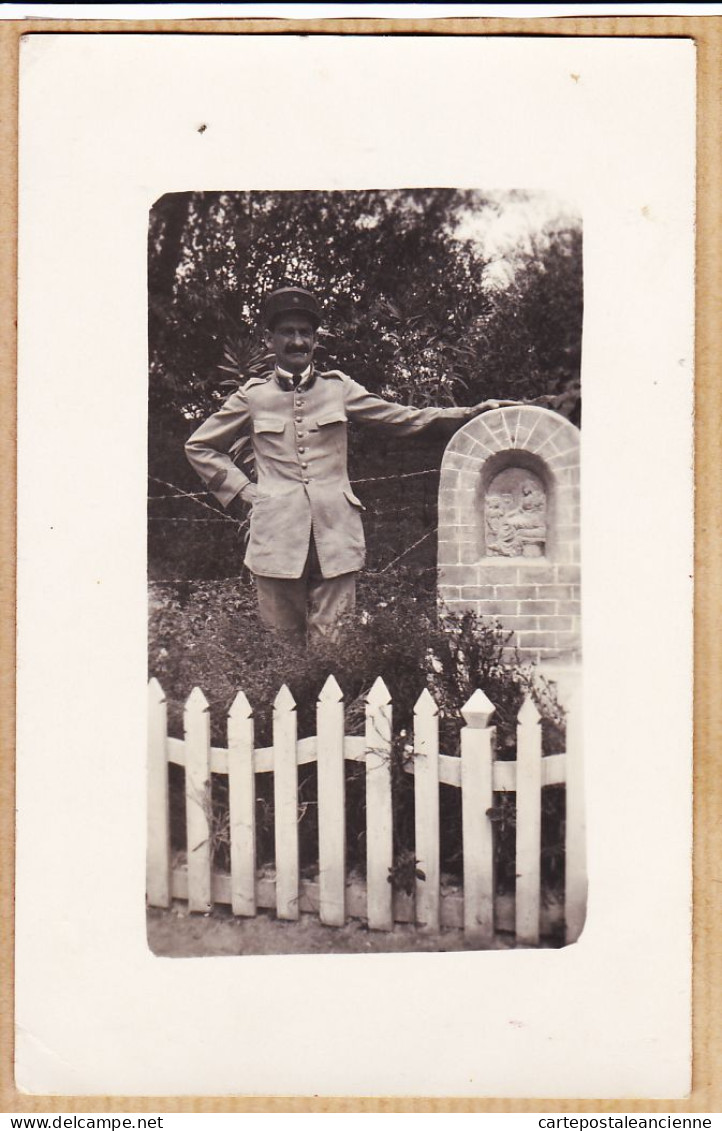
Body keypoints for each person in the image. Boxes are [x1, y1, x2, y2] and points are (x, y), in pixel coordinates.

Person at [185, 285, 517, 645]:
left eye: (305, 333)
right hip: (275, 538)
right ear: (269, 340)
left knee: (335, 649)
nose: (297, 341)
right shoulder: (252, 397)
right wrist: (244, 491)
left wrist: (469, 414)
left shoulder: (339, 389)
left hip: (335, 537)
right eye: (287, 332)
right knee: (280, 649)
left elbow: (405, 419)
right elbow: (200, 445)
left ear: (315, 340)